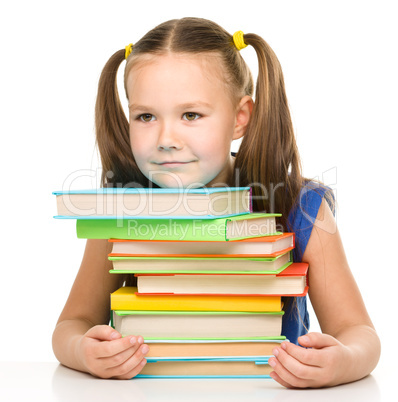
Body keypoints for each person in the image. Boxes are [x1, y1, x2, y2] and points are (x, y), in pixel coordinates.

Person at [52, 17, 380, 387]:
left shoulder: (300, 206)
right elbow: (71, 325)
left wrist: (344, 361)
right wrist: (84, 351)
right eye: (145, 116)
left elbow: (358, 333)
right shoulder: (121, 209)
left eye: (191, 115)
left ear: (240, 118)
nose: (166, 138)